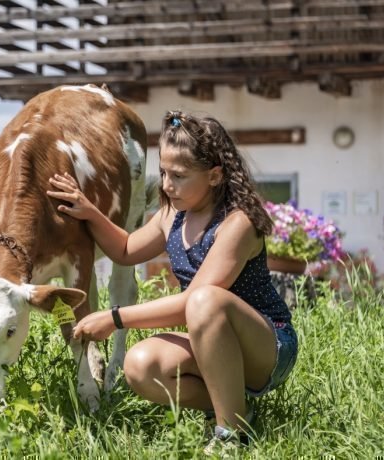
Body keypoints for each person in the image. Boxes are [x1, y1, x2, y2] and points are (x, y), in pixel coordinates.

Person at [46, 110, 298, 453]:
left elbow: (190, 303)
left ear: (214, 176)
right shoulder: (171, 216)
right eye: (163, 173)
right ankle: (238, 410)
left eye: (178, 176)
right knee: (140, 365)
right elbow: (124, 248)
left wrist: (114, 317)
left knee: (204, 300)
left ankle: (230, 435)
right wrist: (89, 210)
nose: (166, 185)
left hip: (268, 346)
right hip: (213, 344)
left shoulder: (238, 223)